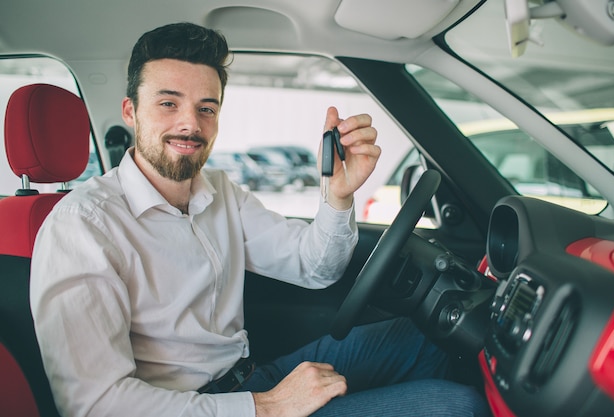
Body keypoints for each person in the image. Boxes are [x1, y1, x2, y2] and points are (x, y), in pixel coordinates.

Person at [30, 22, 490, 417]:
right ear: (131, 111)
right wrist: (268, 407)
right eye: (168, 103)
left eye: (206, 108)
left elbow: (315, 267)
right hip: (199, 406)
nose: (190, 125)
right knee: (457, 407)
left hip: (251, 378)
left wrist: (337, 196)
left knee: (427, 338)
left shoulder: (220, 191)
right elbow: (96, 405)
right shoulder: (83, 227)